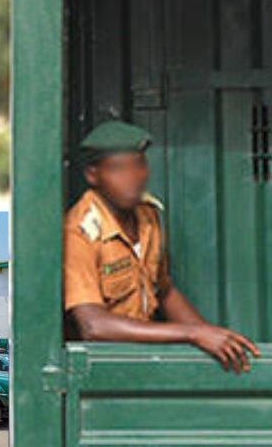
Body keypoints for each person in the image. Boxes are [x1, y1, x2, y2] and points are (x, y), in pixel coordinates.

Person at [63, 120, 260, 373]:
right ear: (93, 175)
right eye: (118, 169)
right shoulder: (79, 233)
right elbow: (94, 326)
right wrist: (191, 334)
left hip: (144, 357)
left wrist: (211, 337)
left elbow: (163, 290)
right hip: (100, 367)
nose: (132, 178)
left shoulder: (147, 216)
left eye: (139, 165)